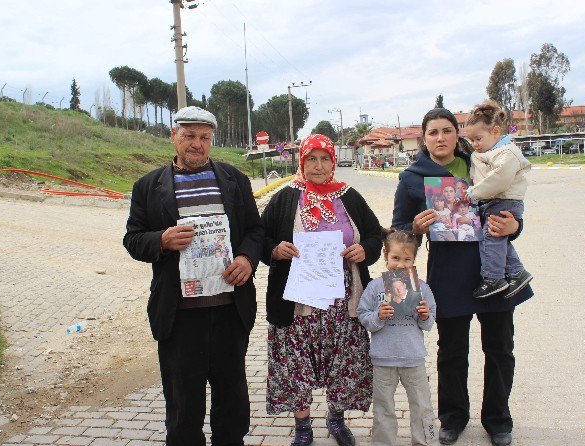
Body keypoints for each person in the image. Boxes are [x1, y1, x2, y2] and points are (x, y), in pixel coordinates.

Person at [392, 107, 533, 446]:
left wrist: (515, 227)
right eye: (432, 133)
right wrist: (414, 227)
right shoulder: (413, 177)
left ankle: (498, 419)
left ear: (458, 134)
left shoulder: (484, 162)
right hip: (448, 274)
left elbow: (509, 202)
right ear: (423, 140)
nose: (440, 138)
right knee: (452, 351)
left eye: (446, 131)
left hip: (493, 272)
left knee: (499, 347)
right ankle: (453, 417)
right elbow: (397, 231)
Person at [123, 106, 263, 446]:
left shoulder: (234, 180)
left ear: (211, 140)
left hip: (230, 310)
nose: (196, 144)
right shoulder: (147, 186)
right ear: (173, 137)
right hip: (179, 316)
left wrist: (246, 258)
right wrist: (162, 240)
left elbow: (255, 231)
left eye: (204, 137)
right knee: (184, 407)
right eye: (188, 136)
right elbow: (133, 239)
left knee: (232, 402)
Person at [261, 134, 382, 446]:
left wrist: (364, 250)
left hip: (344, 299)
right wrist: (276, 250)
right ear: (301, 161)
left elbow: (373, 235)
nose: (318, 165)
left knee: (343, 360)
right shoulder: (285, 198)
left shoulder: (350, 197)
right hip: (298, 300)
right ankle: (303, 426)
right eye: (311, 159)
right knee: (295, 362)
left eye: (324, 158)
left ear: (333, 161)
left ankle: (337, 418)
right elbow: (259, 238)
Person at [358, 228, 437, 446]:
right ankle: (383, 442)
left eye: (406, 259)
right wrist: (378, 317)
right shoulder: (375, 287)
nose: (400, 264)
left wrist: (425, 315)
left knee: (422, 405)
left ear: (413, 260)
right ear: (385, 258)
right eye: (395, 258)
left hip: (413, 358)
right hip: (383, 359)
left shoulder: (422, 288)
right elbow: (363, 315)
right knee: (383, 406)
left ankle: (424, 441)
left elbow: (430, 323)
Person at [464, 100, 533, 299]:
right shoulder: (490, 151)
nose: (475, 144)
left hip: (503, 200)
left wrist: (473, 193)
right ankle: (517, 272)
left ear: (495, 131)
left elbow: (499, 179)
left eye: (478, 138)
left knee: (491, 238)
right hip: (496, 200)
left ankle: (493, 278)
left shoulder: (507, 152)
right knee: (495, 239)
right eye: (472, 140)